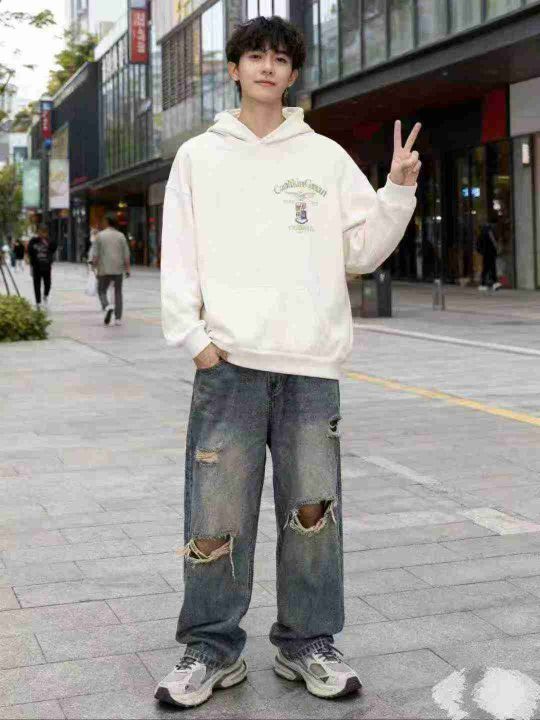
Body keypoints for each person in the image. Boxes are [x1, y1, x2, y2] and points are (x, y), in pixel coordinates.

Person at [156, 15, 421, 709]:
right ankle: (211, 649)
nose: (267, 67)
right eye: (255, 56)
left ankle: (307, 644)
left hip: (310, 366)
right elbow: (178, 253)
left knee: (313, 518)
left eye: (280, 58)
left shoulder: (324, 157)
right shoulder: (199, 157)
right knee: (216, 517)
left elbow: (361, 251)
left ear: (294, 73)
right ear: (234, 69)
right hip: (228, 366)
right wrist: (194, 339)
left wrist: (396, 190)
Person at [92, 211, 131, 325]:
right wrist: (127, 269)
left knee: (101, 290)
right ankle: (118, 319)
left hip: (104, 268)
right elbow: (126, 254)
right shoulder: (121, 236)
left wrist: (93, 267)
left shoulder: (100, 236)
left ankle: (107, 306)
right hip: (118, 268)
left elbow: (95, 255)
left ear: (107, 222)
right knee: (118, 292)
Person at [27, 225, 57, 310]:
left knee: (48, 283)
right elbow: (29, 251)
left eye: (44, 232)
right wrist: (31, 265)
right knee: (36, 284)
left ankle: (45, 295)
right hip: (36, 266)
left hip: (46, 266)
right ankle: (38, 302)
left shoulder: (49, 241)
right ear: (38, 232)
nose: (42, 234)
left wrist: (46, 242)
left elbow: (54, 248)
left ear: (46, 233)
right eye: (40, 232)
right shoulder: (33, 241)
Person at [477, 219, 502, 291]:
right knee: (488, 268)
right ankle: (485, 283)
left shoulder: (487, 233)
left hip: (489, 253)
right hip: (488, 253)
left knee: (490, 268)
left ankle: (492, 283)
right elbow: (480, 244)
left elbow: (479, 244)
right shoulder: (487, 233)